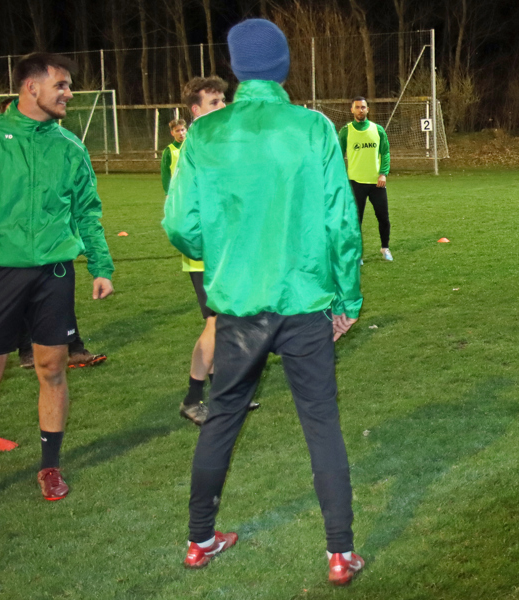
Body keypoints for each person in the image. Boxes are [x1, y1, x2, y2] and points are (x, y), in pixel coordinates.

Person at [163, 19, 365, 583]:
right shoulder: (312, 128)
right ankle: (339, 552)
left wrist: (224, 250)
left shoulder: (204, 135)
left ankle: (199, 538)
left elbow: (180, 224)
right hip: (303, 302)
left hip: (240, 305)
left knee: (221, 417)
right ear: (283, 66)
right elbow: (340, 223)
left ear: (236, 68)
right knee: (321, 421)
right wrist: (347, 296)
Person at [0, 53, 114, 520]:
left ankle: (50, 467)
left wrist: (101, 265)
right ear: (31, 87)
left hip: (54, 273)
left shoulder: (70, 146)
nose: (69, 94)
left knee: (53, 368)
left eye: (69, 86)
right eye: (62, 85)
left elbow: (87, 211)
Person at [168, 78, 257, 425]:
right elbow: (181, 213)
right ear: (195, 110)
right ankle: (192, 400)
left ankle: (224, 396)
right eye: (214, 103)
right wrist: (202, 246)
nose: (223, 107)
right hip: (204, 254)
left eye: (224, 100)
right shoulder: (195, 148)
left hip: (224, 252)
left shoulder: (217, 143)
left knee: (227, 323)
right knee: (216, 323)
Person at [0, 97, 107, 370]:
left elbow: (83, 206)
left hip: (55, 245)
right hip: (11, 249)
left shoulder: (61, 146)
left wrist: (100, 264)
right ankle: (26, 351)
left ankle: (75, 348)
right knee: (21, 304)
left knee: (61, 302)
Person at [338, 97, 393, 262]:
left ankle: (385, 248)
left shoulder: (378, 130)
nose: (360, 110)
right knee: (356, 221)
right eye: (357, 107)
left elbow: (386, 153)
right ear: (352, 110)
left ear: (368, 109)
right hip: (355, 183)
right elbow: (339, 155)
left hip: (377, 182)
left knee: (383, 218)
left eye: (363, 107)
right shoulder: (346, 131)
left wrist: (383, 173)